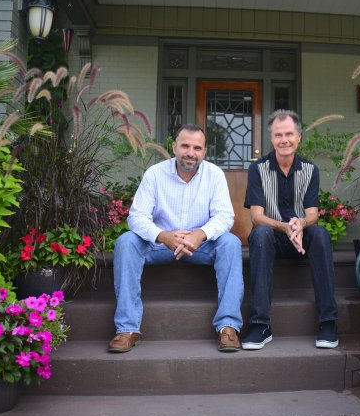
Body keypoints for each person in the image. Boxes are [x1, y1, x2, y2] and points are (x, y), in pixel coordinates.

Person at [108, 123, 244, 353]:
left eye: (197, 148)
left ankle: (228, 326)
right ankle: (127, 328)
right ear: (174, 147)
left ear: (204, 152)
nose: (191, 152)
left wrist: (200, 234)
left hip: (200, 246)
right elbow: (137, 216)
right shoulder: (155, 174)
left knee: (231, 243)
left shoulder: (214, 175)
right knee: (126, 242)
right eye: (185, 146)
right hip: (161, 245)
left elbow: (225, 216)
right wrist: (163, 236)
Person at [242, 109, 339, 350]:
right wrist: (285, 227)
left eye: (289, 134)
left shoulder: (310, 170)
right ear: (271, 139)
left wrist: (300, 224)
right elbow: (256, 216)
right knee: (261, 233)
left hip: (301, 241)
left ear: (299, 137)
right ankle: (259, 324)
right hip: (271, 239)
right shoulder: (258, 169)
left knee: (320, 233)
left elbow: (312, 214)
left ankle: (328, 322)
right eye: (278, 135)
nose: (283, 140)